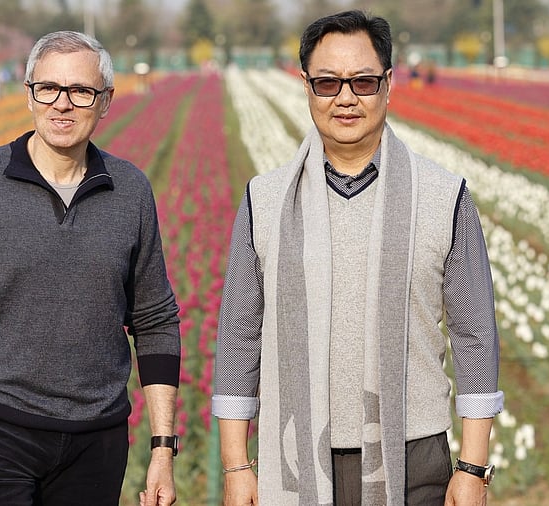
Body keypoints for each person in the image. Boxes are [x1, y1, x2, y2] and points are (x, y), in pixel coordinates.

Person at [212, 10, 503, 506]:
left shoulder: (443, 195)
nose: (345, 98)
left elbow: (474, 335)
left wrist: (472, 468)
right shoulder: (265, 200)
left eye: (362, 82)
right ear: (306, 86)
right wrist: (236, 466)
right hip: (295, 455)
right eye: (327, 83)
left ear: (388, 84)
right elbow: (240, 334)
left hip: (414, 455)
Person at [0, 30, 181, 506]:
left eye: (81, 91)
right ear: (29, 96)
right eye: (49, 89)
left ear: (106, 102)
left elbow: (155, 321)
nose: (63, 104)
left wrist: (162, 449)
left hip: (97, 440)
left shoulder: (130, 190)